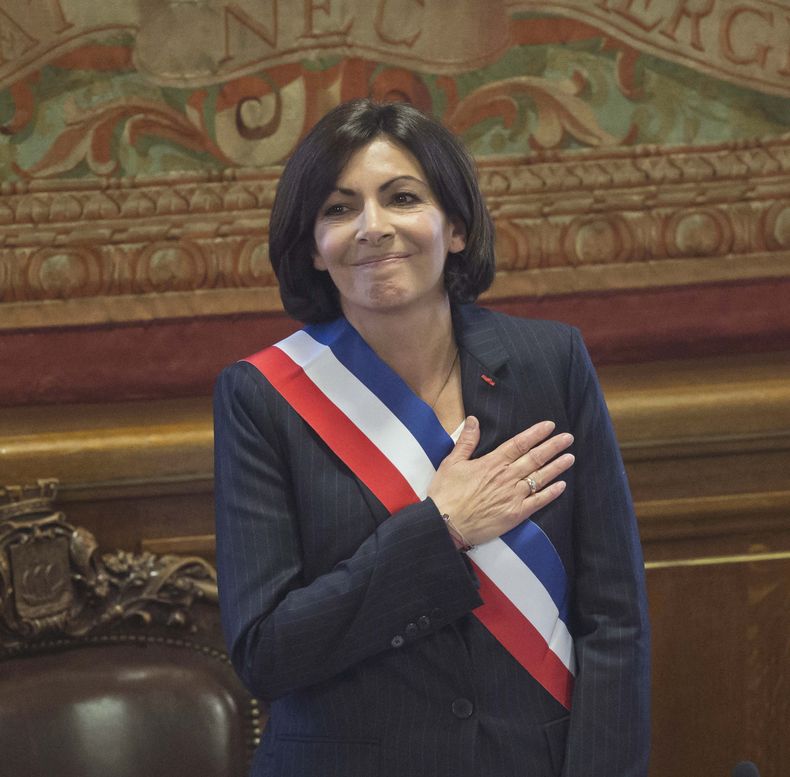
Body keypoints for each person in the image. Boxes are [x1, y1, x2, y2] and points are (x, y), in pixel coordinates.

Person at [213, 98, 650, 777]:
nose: (372, 227)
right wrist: (439, 529)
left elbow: (614, 618)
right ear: (312, 248)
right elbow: (267, 651)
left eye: (403, 197)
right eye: (338, 208)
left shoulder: (552, 364)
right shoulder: (261, 398)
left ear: (455, 228)